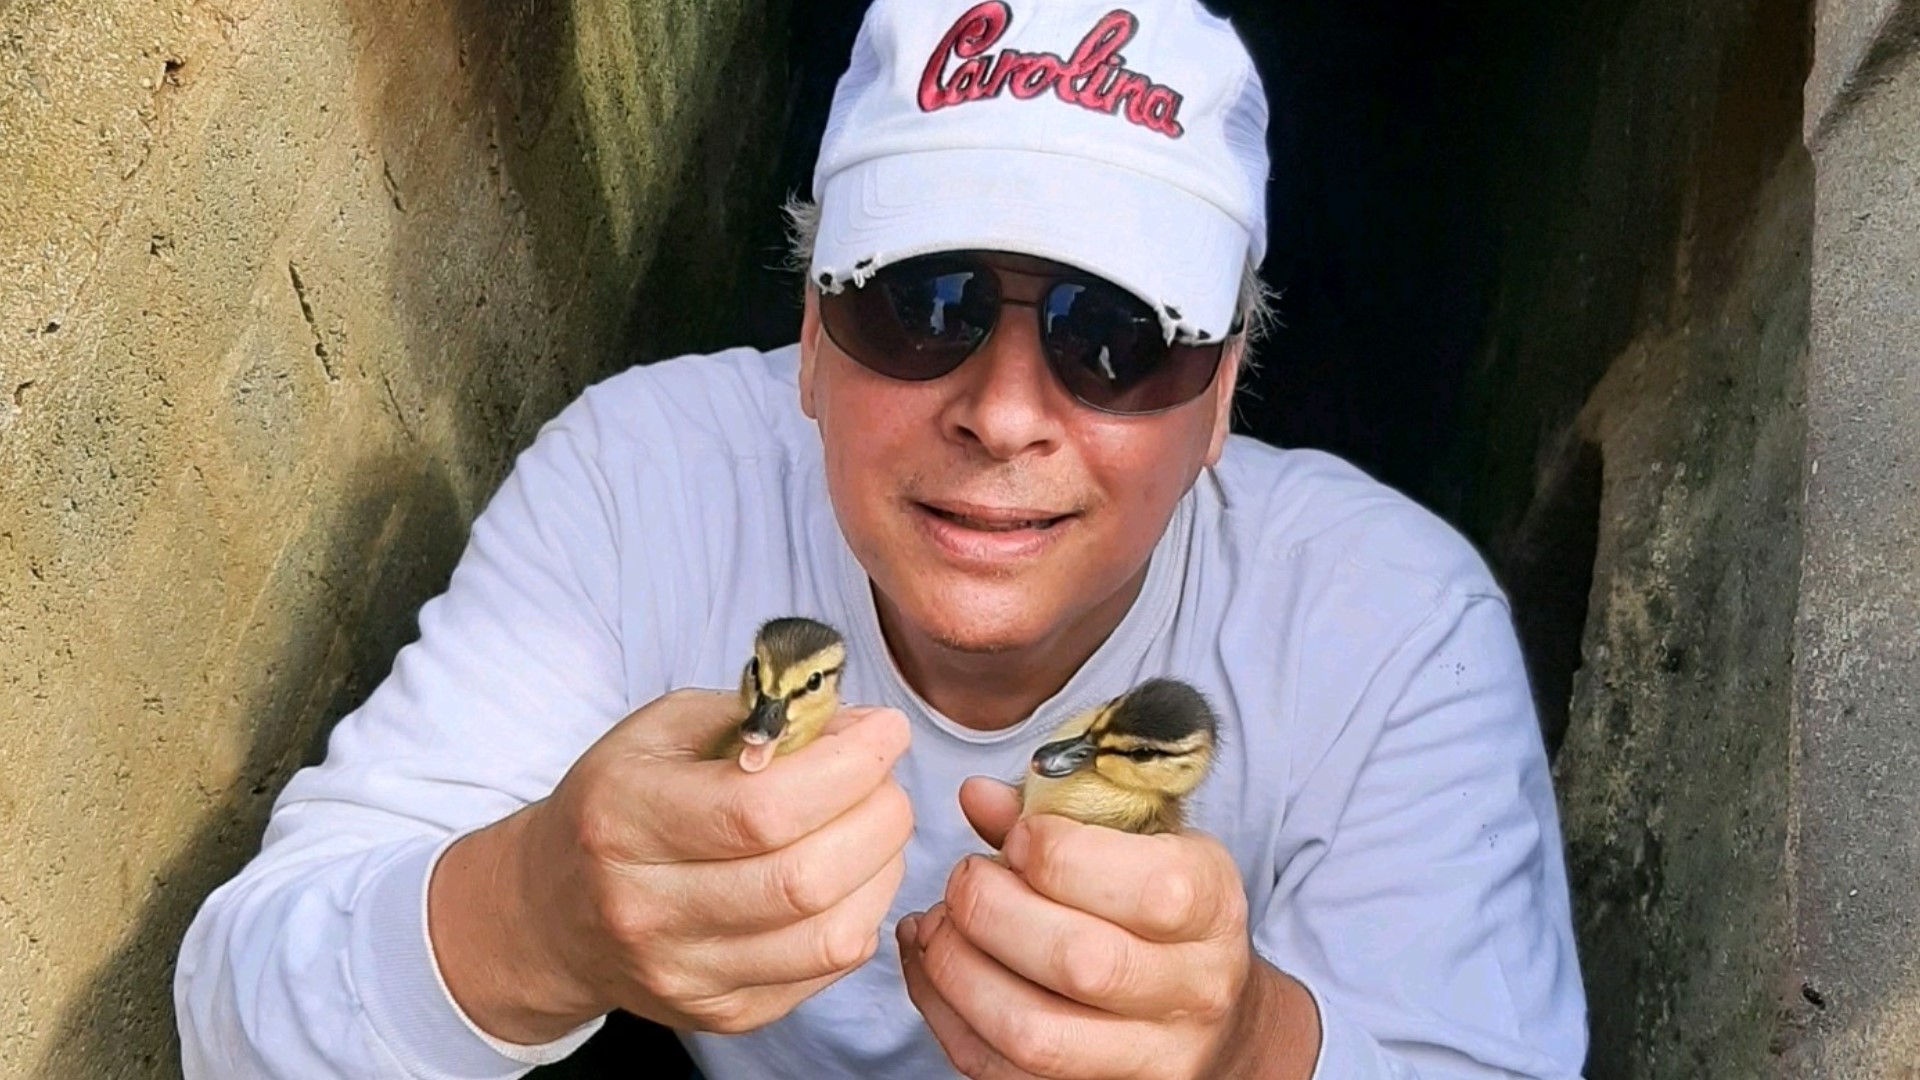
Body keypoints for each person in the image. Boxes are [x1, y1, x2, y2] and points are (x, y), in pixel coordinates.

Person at [175, 1, 1588, 1076]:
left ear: (1219, 395)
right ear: (807, 335)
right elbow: (233, 1007)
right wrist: (533, 915)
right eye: (924, 303)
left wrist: (1249, 1047)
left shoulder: (1396, 628)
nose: (1003, 411)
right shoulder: (639, 484)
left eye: (1116, 340)